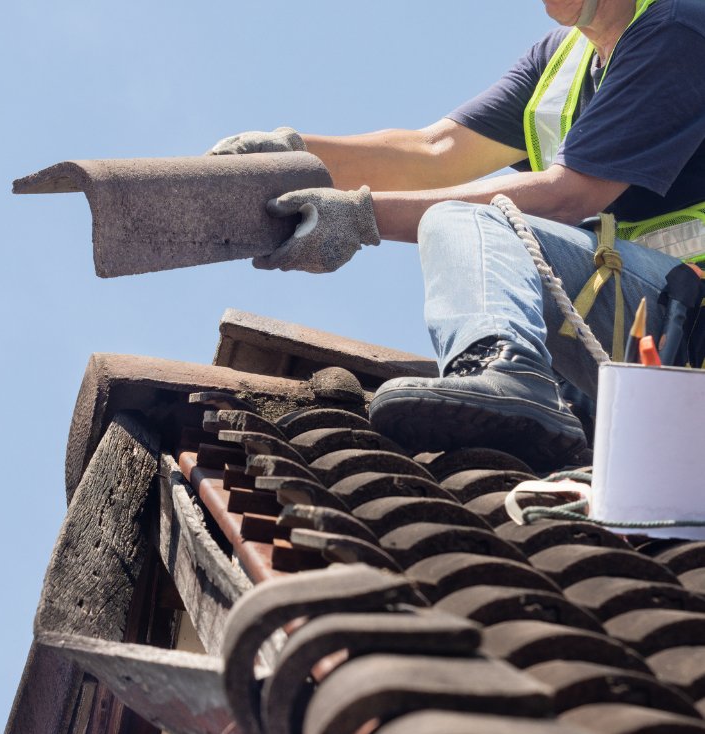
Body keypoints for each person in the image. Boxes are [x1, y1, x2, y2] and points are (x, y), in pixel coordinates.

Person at [208, 0, 705, 469]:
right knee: (466, 216)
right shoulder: (561, 60)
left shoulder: (677, 24)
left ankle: (509, 373)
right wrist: (294, 156)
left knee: (467, 218)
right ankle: (526, 391)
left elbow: (568, 195)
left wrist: (359, 217)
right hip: (642, 324)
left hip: (689, 325)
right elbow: (436, 151)